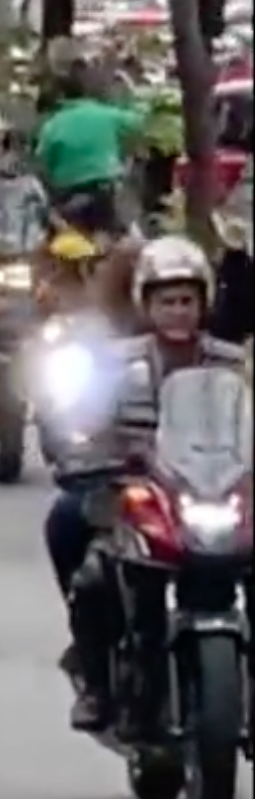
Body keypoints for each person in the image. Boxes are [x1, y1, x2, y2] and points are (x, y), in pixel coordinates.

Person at [45, 236, 245, 730]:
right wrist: (84, 446)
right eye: (166, 301)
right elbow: (74, 417)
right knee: (71, 529)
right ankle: (94, 674)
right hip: (136, 488)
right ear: (146, 304)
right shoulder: (114, 363)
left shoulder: (234, 363)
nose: (178, 311)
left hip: (220, 489)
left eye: (187, 300)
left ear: (204, 303)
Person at [34, 70, 145, 237]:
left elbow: (43, 165)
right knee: (123, 234)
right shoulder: (107, 114)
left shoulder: (52, 125)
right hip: (107, 190)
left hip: (68, 196)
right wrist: (130, 94)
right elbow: (139, 123)